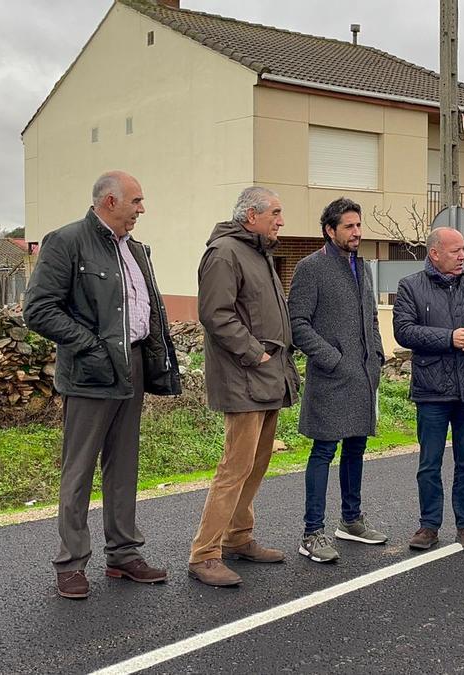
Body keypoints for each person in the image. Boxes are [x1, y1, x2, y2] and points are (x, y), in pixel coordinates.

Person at [24, 170, 181, 599]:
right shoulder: (67, 241)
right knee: (78, 470)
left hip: (131, 365)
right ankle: (71, 563)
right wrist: (90, 347)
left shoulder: (136, 250)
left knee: (123, 465)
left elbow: (142, 309)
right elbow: (38, 310)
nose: (142, 209)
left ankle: (123, 555)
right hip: (90, 370)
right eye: (136, 201)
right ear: (110, 202)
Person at [187, 186, 301, 587]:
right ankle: (205, 554)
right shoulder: (225, 254)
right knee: (234, 468)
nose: (281, 221)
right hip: (244, 376)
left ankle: (238, 537)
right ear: (250, 216)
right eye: (275, 212)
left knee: (257, 463)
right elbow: (215, 315)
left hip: (268, 377)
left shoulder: (257, 253)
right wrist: (255, 354)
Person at [288, 197, 387, 564]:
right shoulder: (310, 268)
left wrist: (376, 357)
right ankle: (312, 533)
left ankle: (351, 521)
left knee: (356, 448)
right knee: (324, 451)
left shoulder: (363, 267)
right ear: (330, 230)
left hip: (363, 377)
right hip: (331, 378)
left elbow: (372, 319)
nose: (357, 232)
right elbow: (297, 324)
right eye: (349, 226)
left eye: (358, 225)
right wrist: (334, 359)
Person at [392, 227, 464, 552]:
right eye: (456, 251)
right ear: (435, 253)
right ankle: (428, 526)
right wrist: (449, 338)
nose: (463, 256)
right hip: (431, 390)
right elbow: (404, 331)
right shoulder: (410, 286)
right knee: (430, 462)